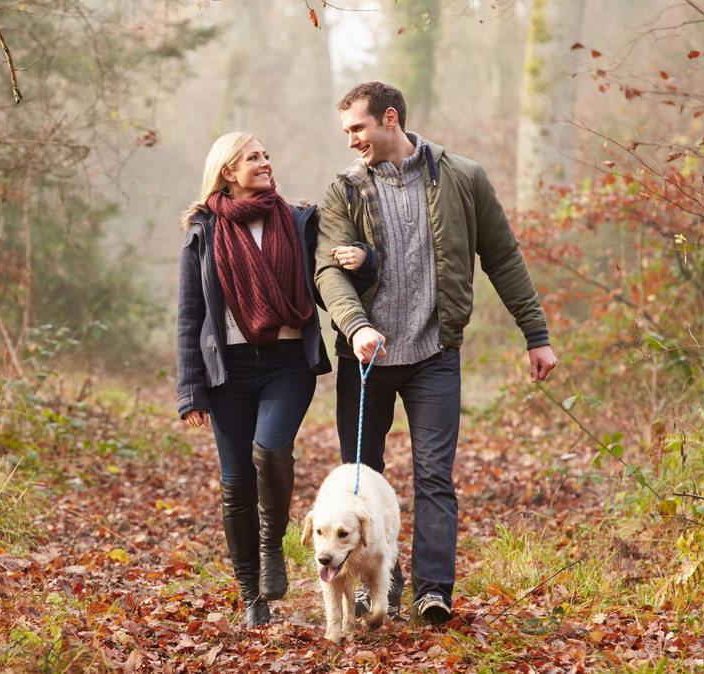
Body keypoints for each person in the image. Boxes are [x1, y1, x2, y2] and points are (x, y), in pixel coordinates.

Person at [314, 82, 559, 625]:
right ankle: (372, 590)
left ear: (390, 119)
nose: (352, 140)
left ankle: (432, 592)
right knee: (361, 480)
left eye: (358, 128)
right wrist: (355, 327)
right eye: (347, 132)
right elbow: (328, 271)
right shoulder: (344, 192)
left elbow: (503, 257)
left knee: (434, 478)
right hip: (365, 360)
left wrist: (535, 334)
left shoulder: (463, 178)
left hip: (434, 355)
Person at [175, 131, 344, 628]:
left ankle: (273, 543)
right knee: (235, 483)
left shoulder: (297, 220)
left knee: (270, 448)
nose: (266, 163)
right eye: (254, 157)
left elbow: (331, 272)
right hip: (227, 370)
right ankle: (253, 596)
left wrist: (362, 261)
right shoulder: (203, 229)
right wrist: (191, 390)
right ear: (229, 171)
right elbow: (190, 315)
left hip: (287, 361)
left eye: (267, 155)